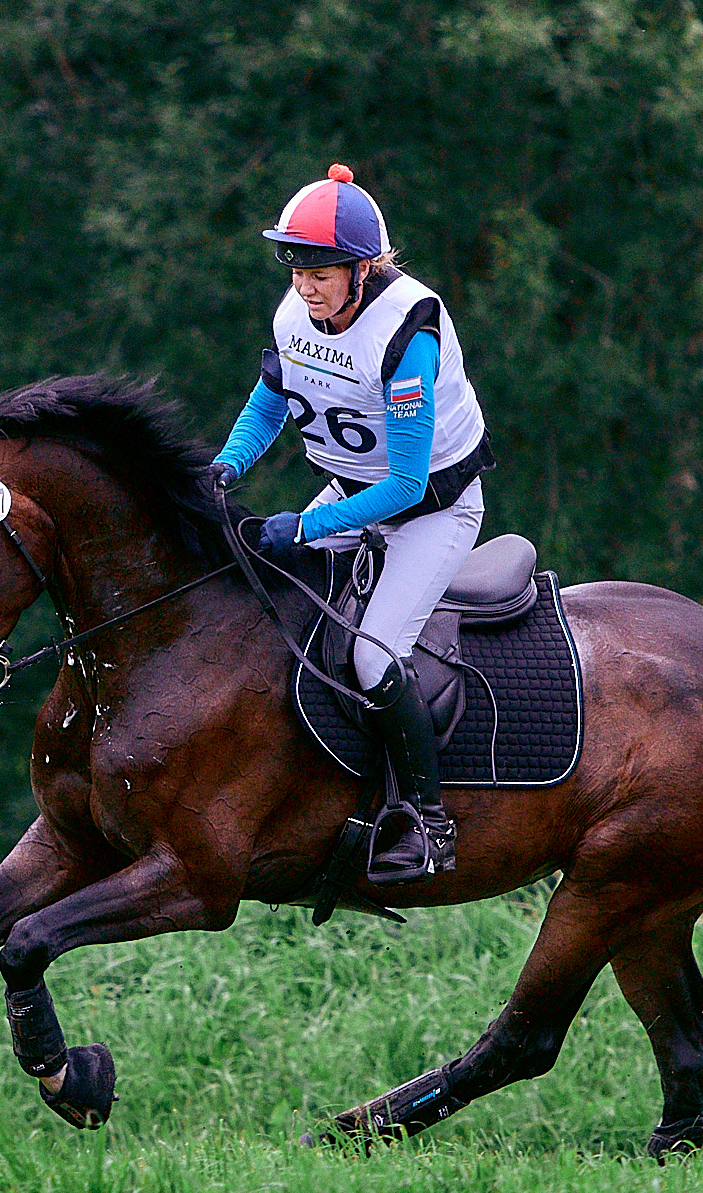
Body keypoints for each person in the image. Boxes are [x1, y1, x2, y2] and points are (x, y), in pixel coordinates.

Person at [211, 164, 494, 884]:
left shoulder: (408, 337)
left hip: (432, 509)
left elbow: (403, 486)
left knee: (373, 658)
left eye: (321, 269)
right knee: (268, 596)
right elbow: (270, 403)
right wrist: (225, 467)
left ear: (363, 271)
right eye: (295, 263)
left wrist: (305, 528)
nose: (305, 282)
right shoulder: (293, 314)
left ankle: (430, 825)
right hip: (353, 489)